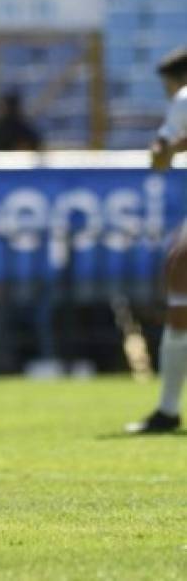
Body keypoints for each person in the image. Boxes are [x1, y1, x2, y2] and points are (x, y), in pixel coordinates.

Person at [126, 45, 187, 434]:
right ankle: (165, 409)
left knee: (178, 273)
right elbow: (162, 156)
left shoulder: (184, 97)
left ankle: (167, 408)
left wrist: (169, 147)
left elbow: (158, 161)